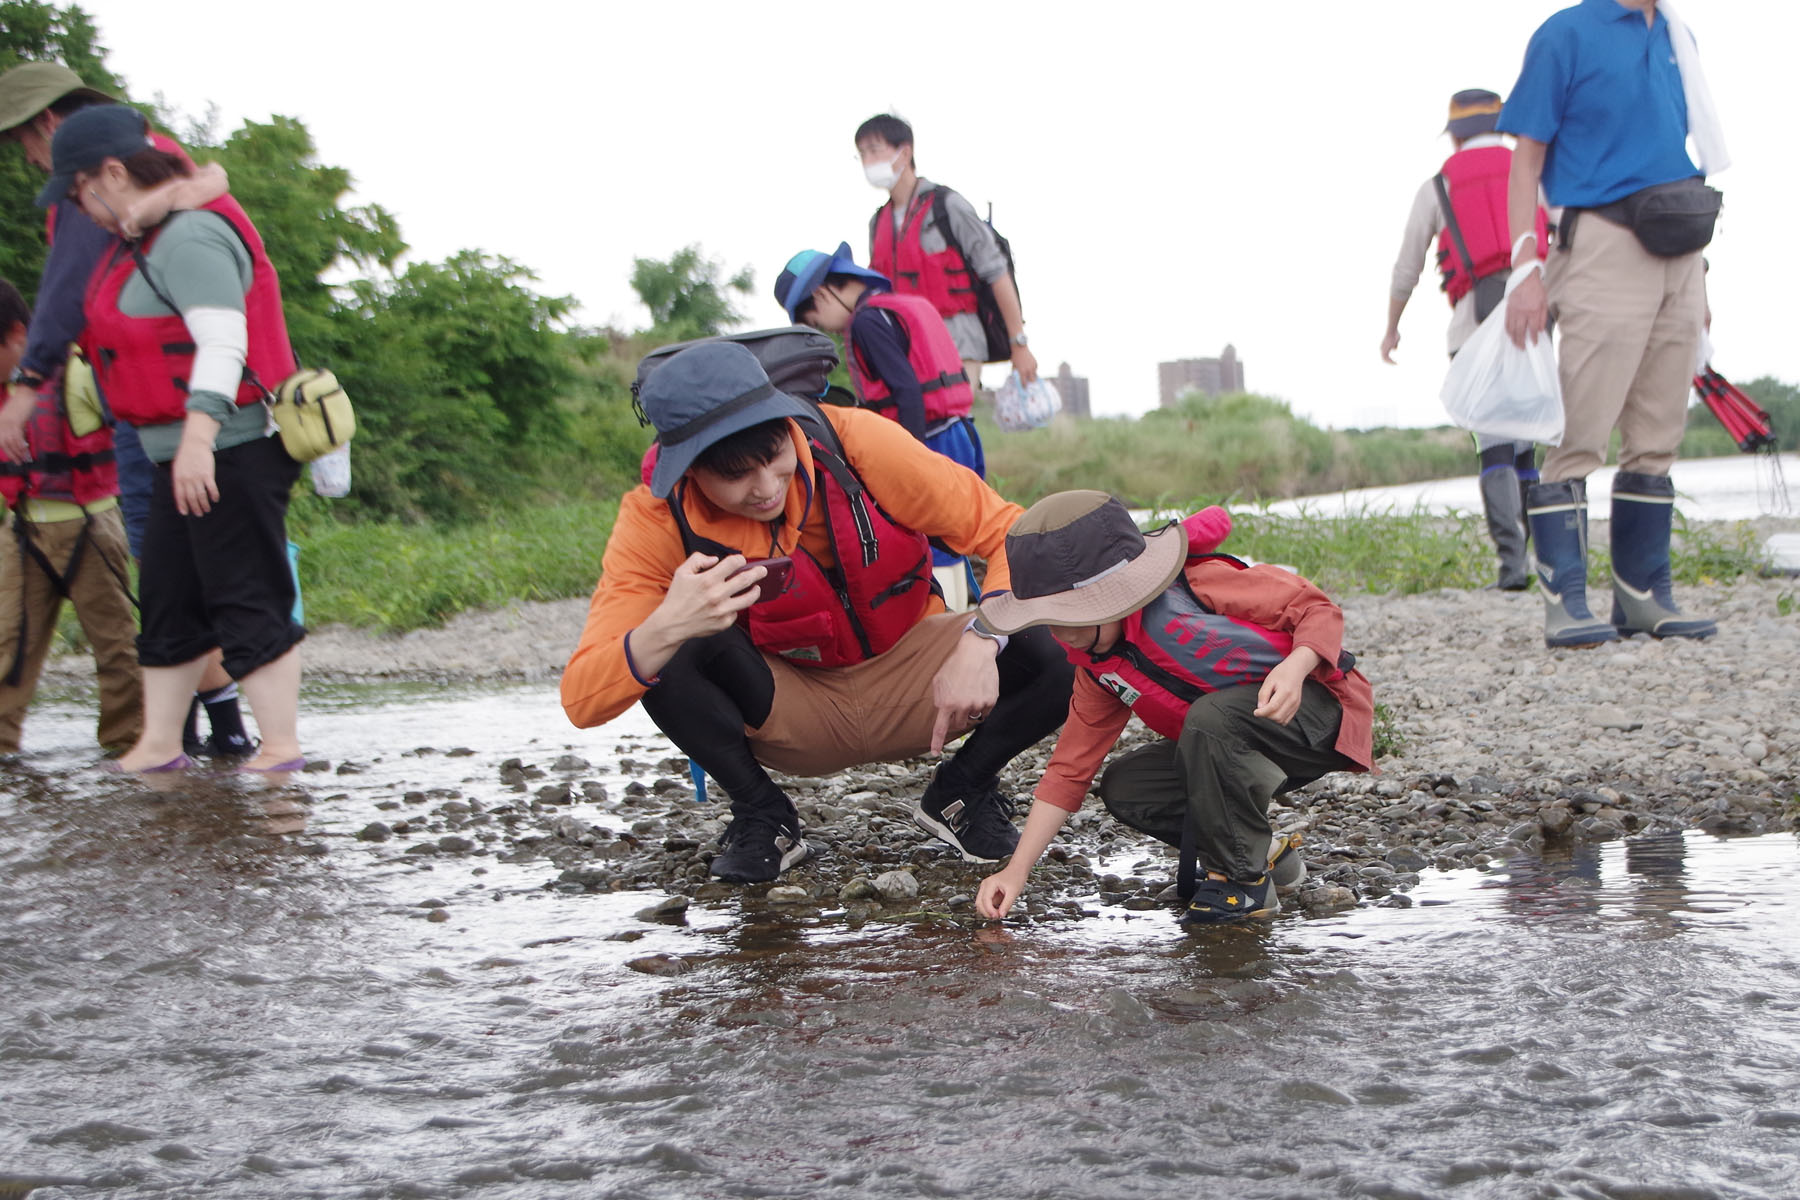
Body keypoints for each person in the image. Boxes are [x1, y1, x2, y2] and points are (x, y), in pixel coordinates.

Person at [560, 341, 1074, 884]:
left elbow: (1016, 536)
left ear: (788, 423)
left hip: (920, 679)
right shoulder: (655, 518)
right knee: (663, 646)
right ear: (687, 471)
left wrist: (981, 639)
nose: (765, 488)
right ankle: (764, 814)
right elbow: (581, 700)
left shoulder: (857, 441)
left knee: (1061, 633)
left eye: (773, 455)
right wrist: (667, 625)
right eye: (735, 475)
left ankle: (962, 791)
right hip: (792, 705)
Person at [42, 104, 306, 774]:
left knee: (244, 590)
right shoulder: (140, 239)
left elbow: (223, 341)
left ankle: (279, 749)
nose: (79, 207)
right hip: (172, 452)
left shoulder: (189, 238)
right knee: (167, 597)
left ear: (111, 172)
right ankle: (159, 746)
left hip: (230, 448)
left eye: (80, 192)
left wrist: (198, 440)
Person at [971, 491, 1374, 927]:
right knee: (1128, 785)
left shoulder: (1200, 585)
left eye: (1067, 615)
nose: (1058, 634)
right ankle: (1266, 856)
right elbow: (1068, 772)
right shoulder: (1097, 668)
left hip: (1317, 715)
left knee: (1210, 720)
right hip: (1228, 746)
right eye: (1046, 619)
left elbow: (1317, 608)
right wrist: (1016, 871)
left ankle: (1245, 886)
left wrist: (1296, 668)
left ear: (1111, 596)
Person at [0, 62, 253, 756]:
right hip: (185, 409)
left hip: (172, 417)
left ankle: (210, 735)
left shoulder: (94, 180)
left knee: (174, 579)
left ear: (49, 125)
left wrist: (24, 389)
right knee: (190, 577)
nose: (28, 161)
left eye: (22, 143)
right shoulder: (163, 160)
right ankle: (215, 730)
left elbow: (62, 293)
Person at [1499, 0, 1724, 646]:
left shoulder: (1680, 35)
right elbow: (1526, 159)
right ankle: (1565, 601)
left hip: (1680, 242)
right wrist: (1525, 269)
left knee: (1659, 428)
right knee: (1581, 426)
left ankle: (1643, 594)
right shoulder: (1565, 35)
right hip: (1600, 241)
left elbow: (1681, 152)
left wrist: (1701, 278)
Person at [1382, 89, 1549, 592]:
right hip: (1538, 323)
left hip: (1473, 328)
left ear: (1454, 135)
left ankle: (1511, 565)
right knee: (1527, 448)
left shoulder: (1438, 186)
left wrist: (1392, 327)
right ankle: (1548, 561)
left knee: (1494, 445)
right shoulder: (1531, 172)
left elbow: (1407, 266)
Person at [774, 241, 986, 607]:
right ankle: (992, 611)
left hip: (930, 437)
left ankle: (955, 628)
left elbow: (906, 389)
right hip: (960, 431)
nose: (826, 329)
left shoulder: (868, 321)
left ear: (822, 295)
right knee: (971, 527)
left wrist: (914, 459)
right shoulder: (900, 305)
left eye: (814, 321)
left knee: (940, 534)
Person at [0, 277, 140, 757]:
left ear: (17, 335)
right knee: (8, 648)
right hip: (22, 530)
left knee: (117, 649)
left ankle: (127, 748)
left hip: (91, 527)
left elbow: (133, 430)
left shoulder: (78, 371)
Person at [855, 114, 1037, 389]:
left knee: (952, 425)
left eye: (875, 150)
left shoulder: (947, 206)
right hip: (904, 348)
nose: (868, 160)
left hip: (957, 343)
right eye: (862, 154)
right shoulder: (877, 223)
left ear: (905, 153)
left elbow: (996, 271)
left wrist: (1019, 344)